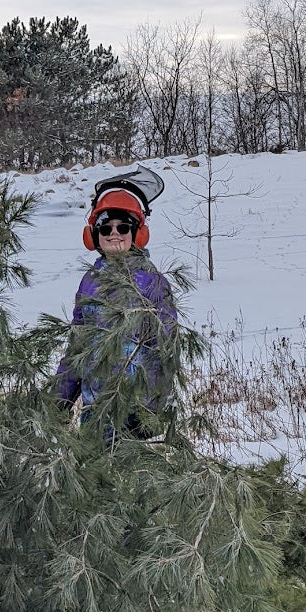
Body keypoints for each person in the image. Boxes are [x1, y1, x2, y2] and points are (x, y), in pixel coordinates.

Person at [55, 179, 179, 439]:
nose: (114, 233)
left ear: (137, 233)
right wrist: (60, 401)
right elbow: (77, 348)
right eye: (105, 227)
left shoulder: (152, 282)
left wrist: (150, 412)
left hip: (136, 415)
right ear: (94, 235)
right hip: (95, 411)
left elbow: (166, 351)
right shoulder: (90, 281)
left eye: (123, 226)